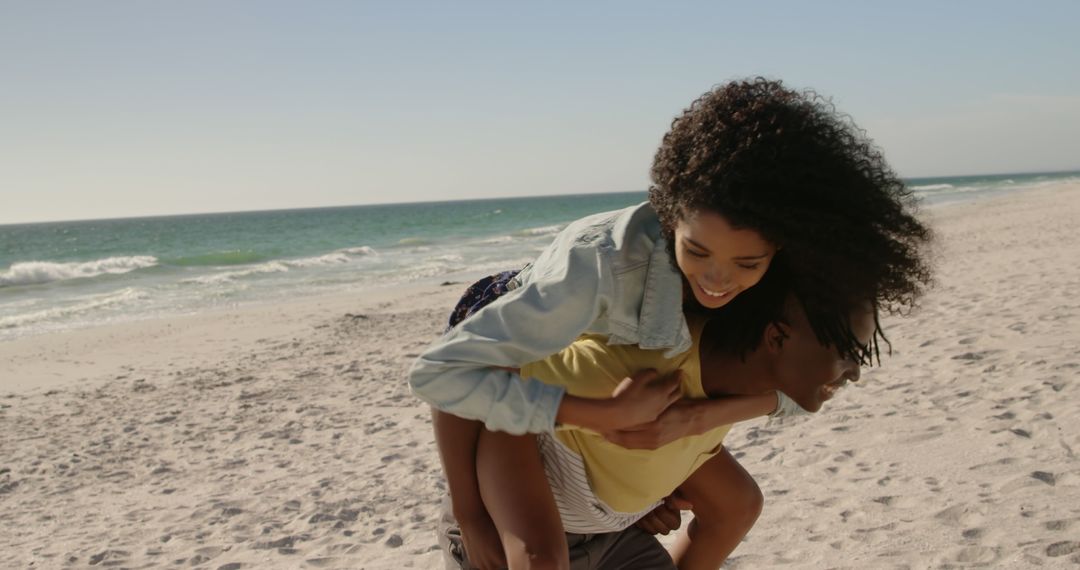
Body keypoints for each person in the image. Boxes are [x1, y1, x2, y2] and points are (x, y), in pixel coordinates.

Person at [410, 77, 932, 568]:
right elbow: (447, 374)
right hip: (497, 351)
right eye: (696, 251)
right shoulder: (599, 270)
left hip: (596, 423)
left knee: (737, 500)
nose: (718, 281)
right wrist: (474, 510)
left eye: (747, 264)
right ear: (670, 217)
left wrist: (693, 427)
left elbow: (792, 380)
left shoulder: (766, 281)